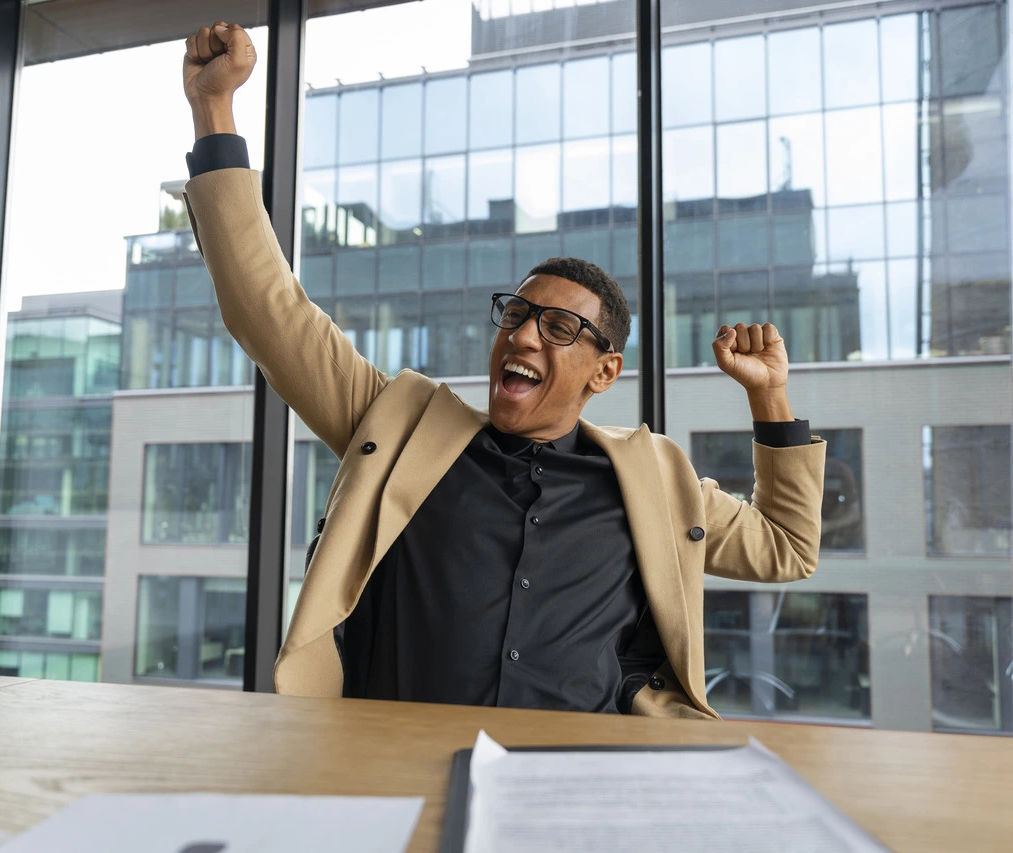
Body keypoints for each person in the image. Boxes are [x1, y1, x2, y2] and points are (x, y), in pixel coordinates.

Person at [181, 22, 826, 720]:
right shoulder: (400, 429)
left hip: (580, 794)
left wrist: (771, 397)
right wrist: (215, 110)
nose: (522, 333)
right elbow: (267, 311)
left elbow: (787, 549)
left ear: (604, 370)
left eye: (557, 327)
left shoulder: (656, 485)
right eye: (516, 313)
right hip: (393, 771)